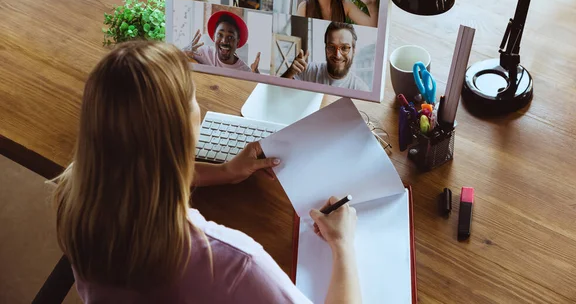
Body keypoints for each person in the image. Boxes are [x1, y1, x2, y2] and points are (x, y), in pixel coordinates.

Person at [52, 40, 362, 304]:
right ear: (185, 130)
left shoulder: (73, 195)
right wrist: (342, 245)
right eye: (192, 99)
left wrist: (224, 171)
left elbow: (136, 165)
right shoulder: (233, 264)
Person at [282, 22, 370, 91]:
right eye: (331, 47)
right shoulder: (309, 70)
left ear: (354, 51)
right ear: (325, 48)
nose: (337, 55)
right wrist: (290, 72)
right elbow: (277, 92)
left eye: (344, 48)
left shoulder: (360, 88)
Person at [184, 10, 261, 73]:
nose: (224, 41)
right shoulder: (202, 53)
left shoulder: (245, 71)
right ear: (214, 37)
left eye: (230, 37)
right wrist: (182, 53)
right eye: (220, 35)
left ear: (237, 43)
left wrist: (257, 78)